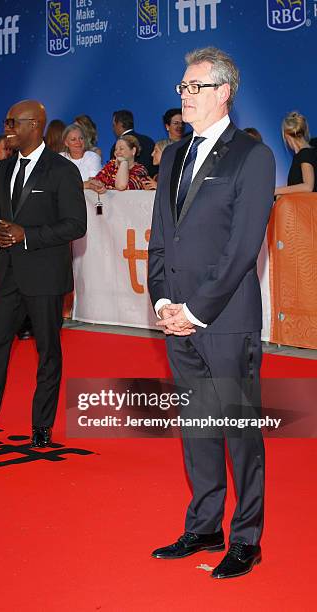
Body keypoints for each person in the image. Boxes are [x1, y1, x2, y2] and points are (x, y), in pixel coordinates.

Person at [148, 47, 275, 579]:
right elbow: (160, 237)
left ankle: (247, 538)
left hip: (225, 320)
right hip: (176, 315)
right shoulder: (173, 155)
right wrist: (160, 300)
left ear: (223, 93)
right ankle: (204, 526)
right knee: (198, 426)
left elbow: (242, 249)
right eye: (181, 87)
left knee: (238, 429)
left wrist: (195, 311)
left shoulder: (253, 156)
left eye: (194, 87)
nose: (184, 96)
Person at [0, 99, 87, 451]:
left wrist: (29, 234)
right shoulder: (1, 170)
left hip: (44, 275)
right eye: (7, 122)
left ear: (35, 125)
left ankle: (41, 427)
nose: (8, 129)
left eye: (13, 122)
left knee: (47, 353)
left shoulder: (62, 170)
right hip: (7, 274)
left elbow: (76, 224)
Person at [275, 111, 317, 195]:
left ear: (287, 136)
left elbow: (308, 186)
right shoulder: (302, 154)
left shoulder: (305, 154)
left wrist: (275, 191)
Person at [110, 110, 155, 176]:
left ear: (120, 124)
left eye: (113, 125)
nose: (113, 129)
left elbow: (114, 172)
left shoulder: (117, 146)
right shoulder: (148, 140)